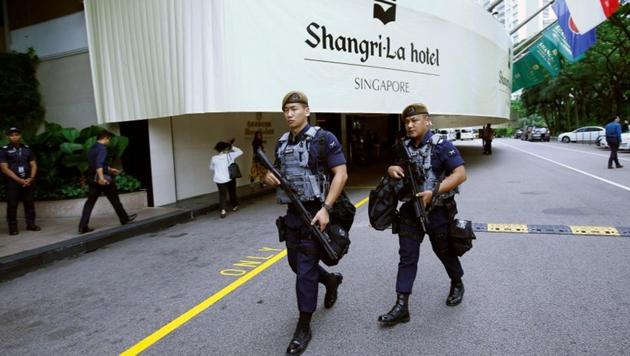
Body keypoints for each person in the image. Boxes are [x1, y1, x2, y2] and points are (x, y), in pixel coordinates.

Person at [263, 91, 347, 355]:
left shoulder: (324, 139)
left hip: (315, 211)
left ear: (307, 111)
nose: (289, 113)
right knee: (295, 264)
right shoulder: (282, 143)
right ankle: (331, 281)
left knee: (306, 269)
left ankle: (303, 326)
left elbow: (341, 174)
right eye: (286, 109)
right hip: (292, 215)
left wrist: (326, 208)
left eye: (295, 109)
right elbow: (275, 171)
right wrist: (268, 177)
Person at [377, 103, 467, 326]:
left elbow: (460, 173)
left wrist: (434, 191)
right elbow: (396, 167)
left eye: (414, 120)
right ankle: (401, 306)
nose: (409, 125)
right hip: (410, 209)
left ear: (428, 121)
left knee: (444, 251)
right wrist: (391, 169)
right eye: (406, 121)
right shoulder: (403, 146)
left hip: (437, 210)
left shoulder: (441, 145)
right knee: (407, 256)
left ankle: (457, 281)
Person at [78, 130, 137, 234]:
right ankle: (124, 219)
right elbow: (99, 164)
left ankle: (82, 226)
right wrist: (101, 178)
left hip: (92, 178)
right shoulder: (102, 149)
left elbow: (95, 163)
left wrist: (109, 169)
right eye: (109, 139)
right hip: (102, 179)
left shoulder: (92, 148)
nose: (109, 141)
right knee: (114, 199)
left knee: (90, 202)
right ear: (105, 138)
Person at [0, 127, 41, 235]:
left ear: (20, 135)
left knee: (29, 203)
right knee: (12, 205)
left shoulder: (27, 149)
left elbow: (33, 164)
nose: (14, 137)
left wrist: (30, 178)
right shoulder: (3, 150)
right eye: (12, 135)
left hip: (27, 180)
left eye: (16, 134)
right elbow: (4, 168)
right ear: (8, 137)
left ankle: (31, 224)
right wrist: (18, 180)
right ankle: (13, 228)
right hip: (12, 182)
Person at [209, 139, 242, 218]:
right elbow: (240, 151)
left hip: (218, 179)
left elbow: (211, 168)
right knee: (232, 192)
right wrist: (232, 146)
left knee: (222, 195)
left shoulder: (214, 158)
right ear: (226, 148)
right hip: (229, 178)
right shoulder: (230, 155)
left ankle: (223, 210)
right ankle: (234, 206)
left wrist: (218, 169)